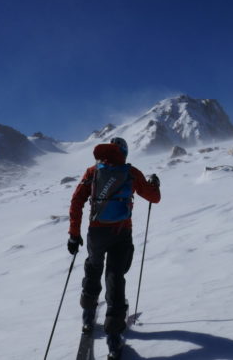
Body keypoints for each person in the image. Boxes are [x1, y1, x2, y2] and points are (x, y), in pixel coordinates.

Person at [67, 136, 161, 359]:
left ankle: (88, 319)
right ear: (124, 153)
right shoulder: (130, 172)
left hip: (96, 233)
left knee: (93, 268)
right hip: (121, 233)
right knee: (115, 279)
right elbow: (154, 198)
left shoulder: (93, 171)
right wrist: (154, 184)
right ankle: (113, 339)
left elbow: (76, 201)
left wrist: (74, 234)